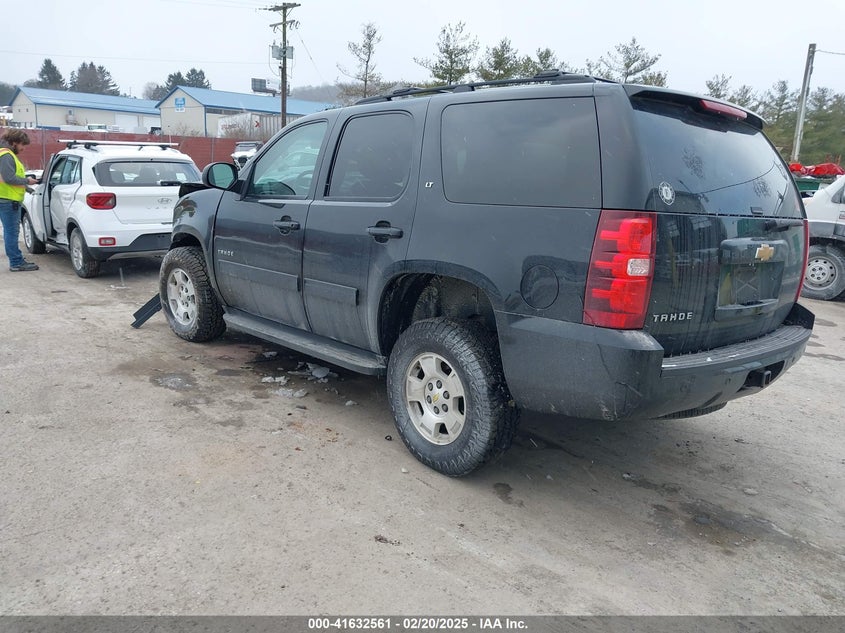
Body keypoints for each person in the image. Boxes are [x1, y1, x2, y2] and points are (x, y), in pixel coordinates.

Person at [0, 129, 39, 271]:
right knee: (11, 232)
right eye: (22, 145)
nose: (23, 149)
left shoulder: (4, 153)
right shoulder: (6, 156)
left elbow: (6, 179)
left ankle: (16, 259)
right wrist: (27, 181)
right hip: (8, 201)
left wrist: (27, 188)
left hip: (6, 198)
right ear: (14, 142)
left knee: (10, 231)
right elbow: (9, 178)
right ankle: (16, 262)